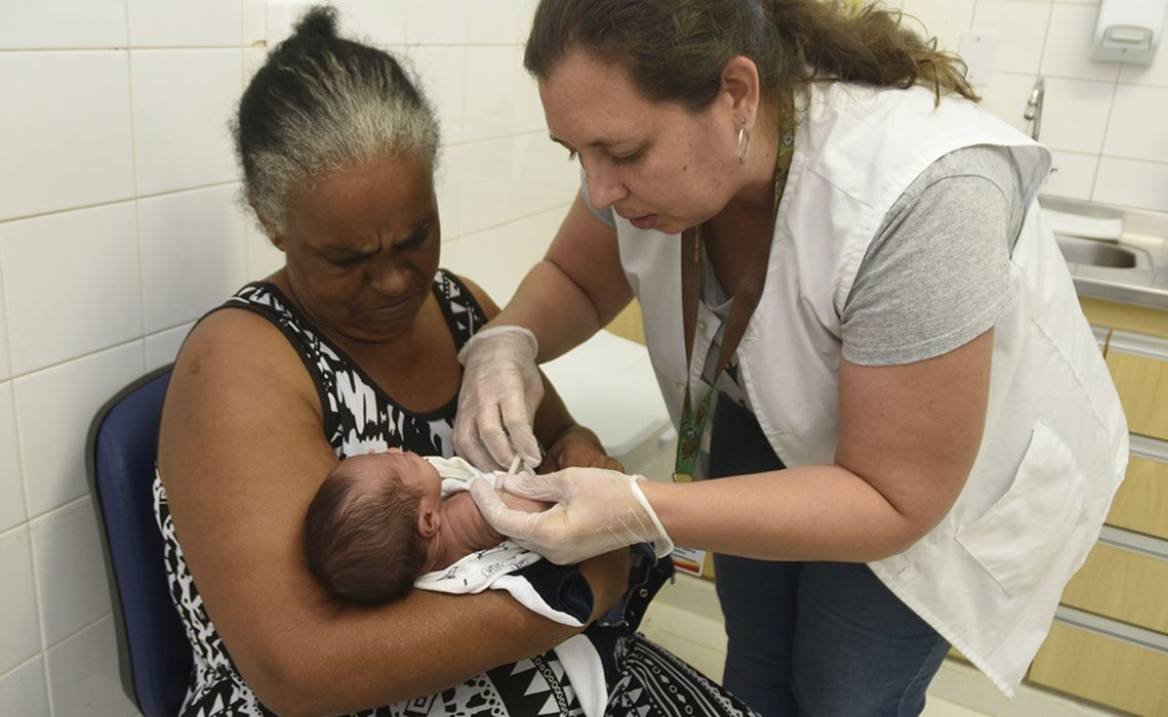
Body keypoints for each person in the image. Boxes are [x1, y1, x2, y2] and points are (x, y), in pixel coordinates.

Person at [456, 2, 1130, 716]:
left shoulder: (925, 193)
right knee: (758, 660)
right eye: (577, 153)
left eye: (622, 154)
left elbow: (893, 496)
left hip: (921, 471)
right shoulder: (653, 150)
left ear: (736, 94)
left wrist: (641, 509)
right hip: (772, 410)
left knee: (845, 690)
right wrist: (509, 340)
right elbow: (576, 277)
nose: (599, 191)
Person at [154, 7, 759, 717]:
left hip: (554, 662)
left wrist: (583, 460)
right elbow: (303, 672)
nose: (393, 281)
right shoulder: (241, 360)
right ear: (271, 220)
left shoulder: (459, 306)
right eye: (347, 258)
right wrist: (585, 583)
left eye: (416, 236)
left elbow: (563, 434)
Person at [304, 450, 551, 605]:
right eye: (398, 460)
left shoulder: (422, 569)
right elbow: (539, 510)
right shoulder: (468, 515)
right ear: (429, 521)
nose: (393, 449)